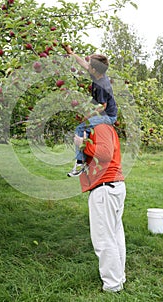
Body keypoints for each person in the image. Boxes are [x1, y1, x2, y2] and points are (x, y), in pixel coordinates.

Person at [74, 123, 126, 293]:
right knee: (115, 235)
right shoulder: (105, 126)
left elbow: (104, 153)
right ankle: (118, 277)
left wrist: (82, 144)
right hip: (112, 186)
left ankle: (112, 285)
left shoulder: (101, 126)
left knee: (103, 239)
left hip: (104, 189)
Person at [62, 44, 118, 177]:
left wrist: (88, 116)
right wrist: (70, 52)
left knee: (80, 129)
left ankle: (80, 163)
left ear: (94, 69)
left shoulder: (102, 85)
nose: (88, 65)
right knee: (86, 132)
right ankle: (87, 160)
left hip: (108, 116)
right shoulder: (96, 74)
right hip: (103, 112)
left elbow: (102, 106)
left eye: (90, 64)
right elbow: (83, 63)